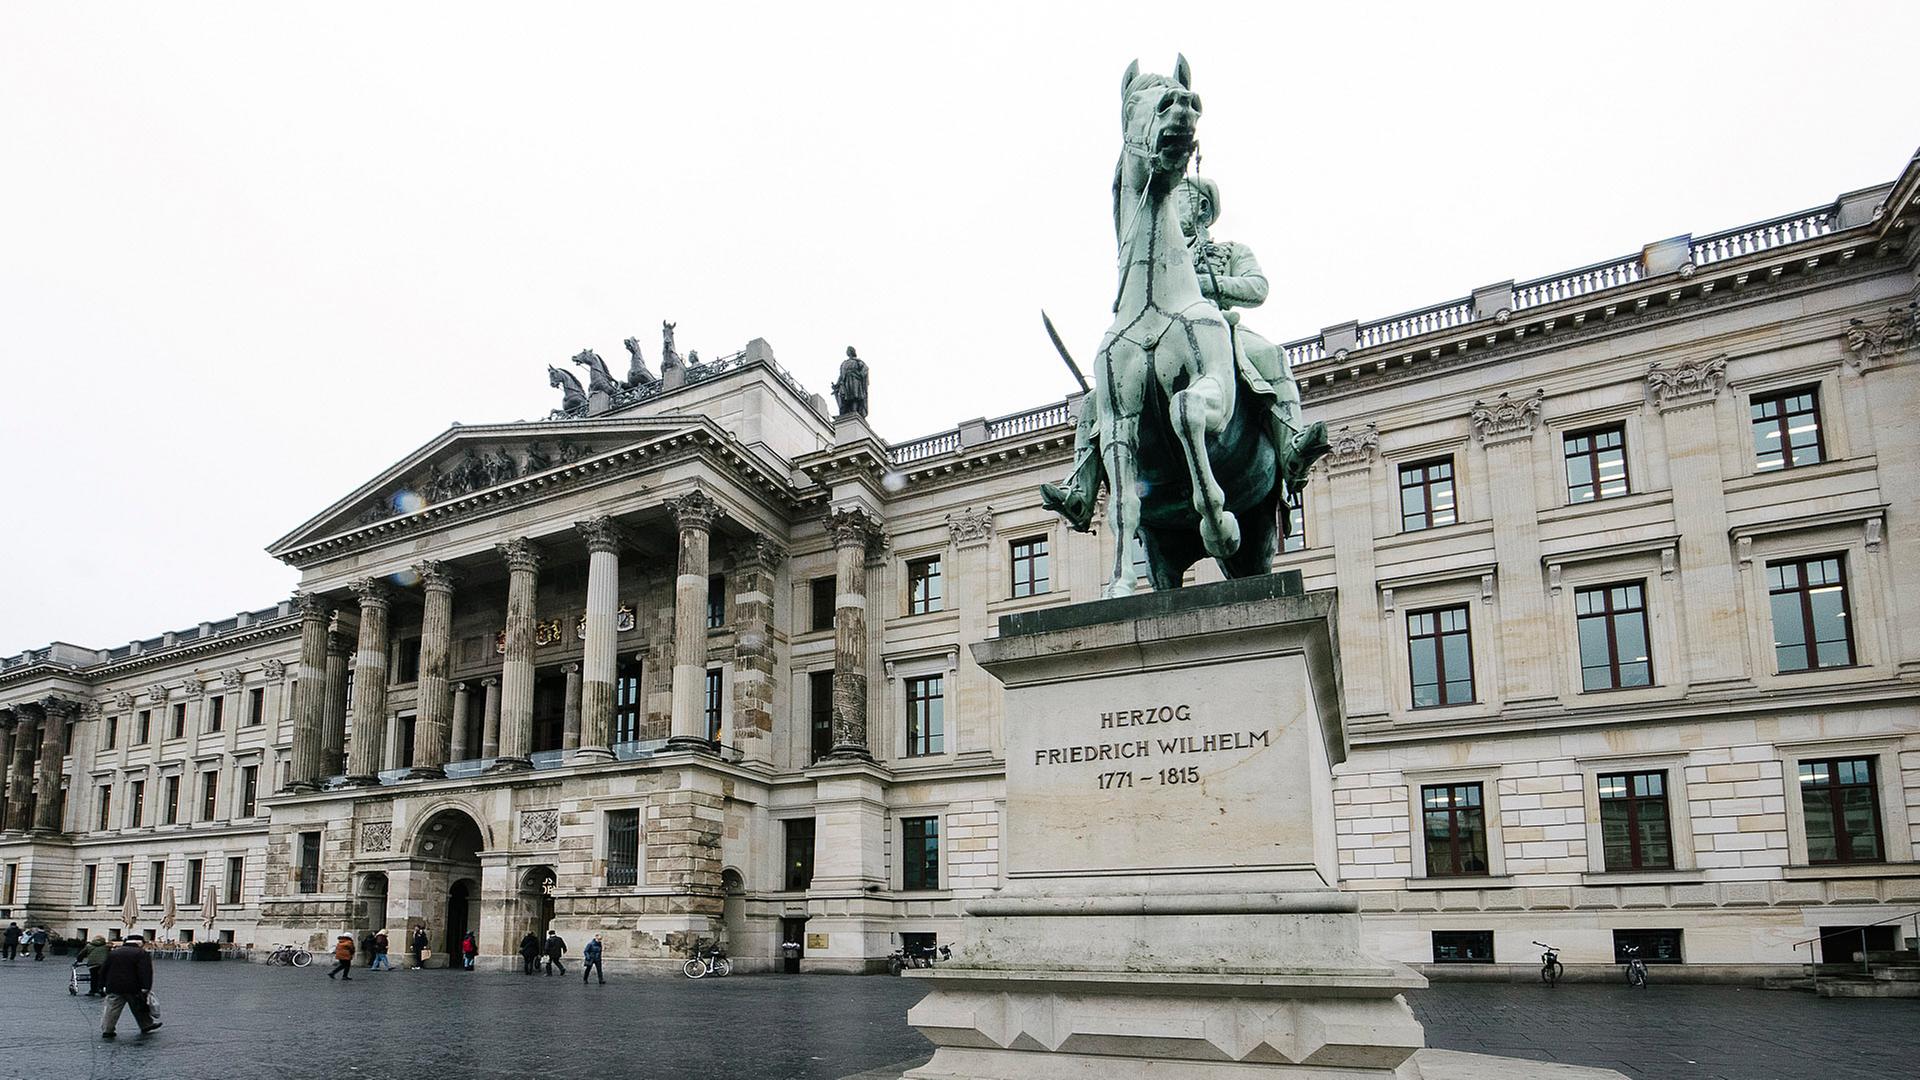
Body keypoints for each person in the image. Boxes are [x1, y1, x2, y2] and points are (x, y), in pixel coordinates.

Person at [98, 935, 160, 1039]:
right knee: (139, 1006)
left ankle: (107, 1030)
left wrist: (102, 984)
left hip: (114, 986)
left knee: (111, 1009)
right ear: (140, 943)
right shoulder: (141, 953)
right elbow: (145, 971)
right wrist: (146, 987)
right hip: (134, 986)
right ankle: (146, 1025)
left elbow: (104, 969)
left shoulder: (114, 953)